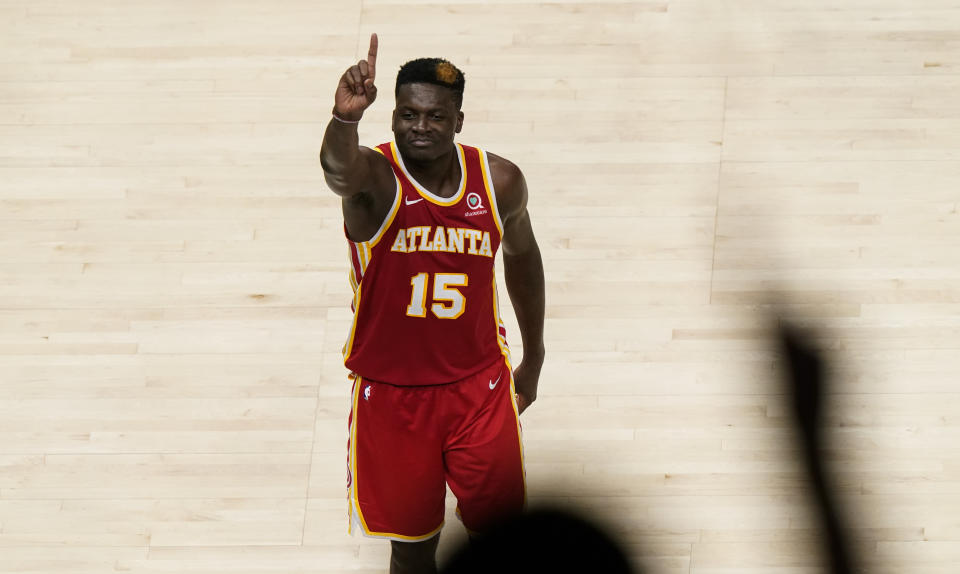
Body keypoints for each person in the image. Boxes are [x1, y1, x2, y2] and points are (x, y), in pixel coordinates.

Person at [319, 33, 546, 574]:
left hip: (479, 389)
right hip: (394, 397)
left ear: (458, 120)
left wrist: (533, 356)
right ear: (393, 116)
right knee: (413, 549)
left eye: (434, 116)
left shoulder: (499, 182)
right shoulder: (375, 177)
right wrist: (344, 119)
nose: (419, 126)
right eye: (407, 114)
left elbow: (524, 258)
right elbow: (336, 171)